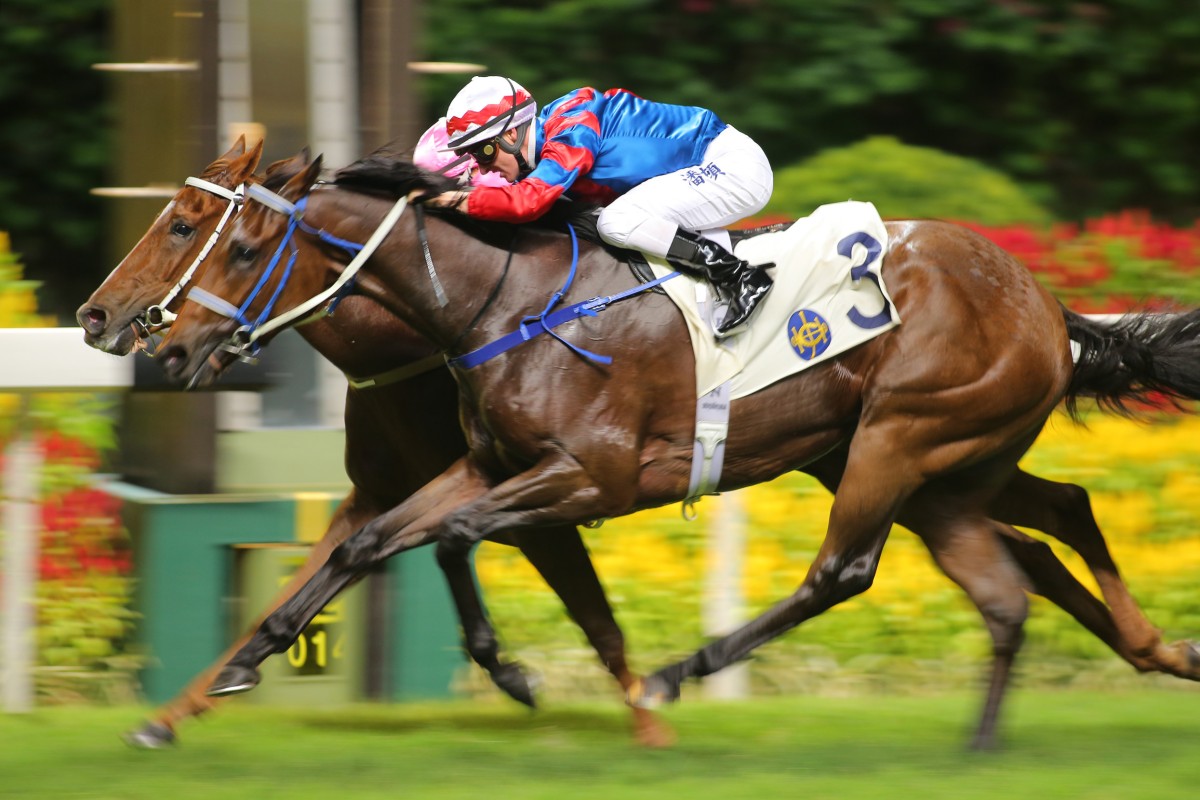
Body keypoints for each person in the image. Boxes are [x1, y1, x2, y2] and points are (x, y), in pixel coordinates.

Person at [422, 76, 775, 335]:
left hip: (731, 166)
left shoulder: (571, 125)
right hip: (707, 168)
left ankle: (741, 276)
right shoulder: (549, 141)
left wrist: (449, 200)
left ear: (511, 134)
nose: (482, 167)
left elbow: (526, 203)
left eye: (483, 151)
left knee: (616, 222)